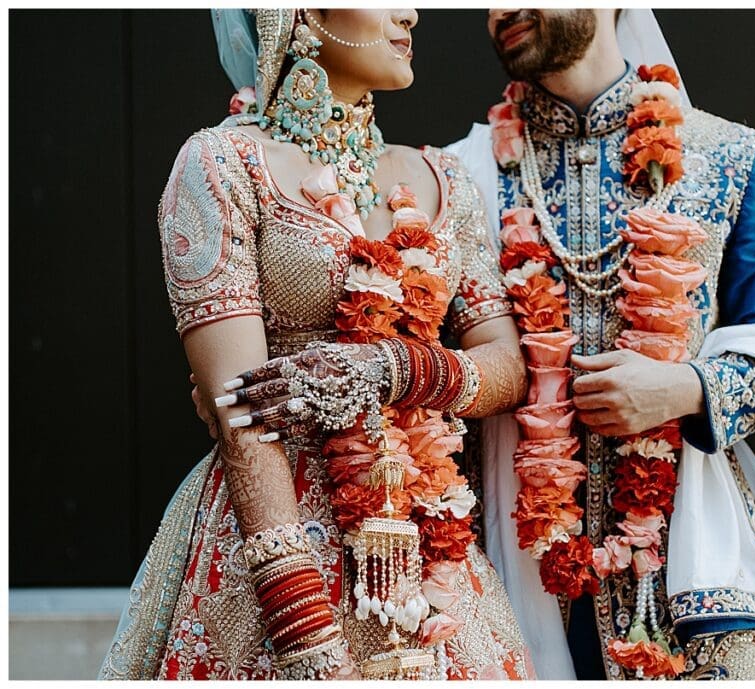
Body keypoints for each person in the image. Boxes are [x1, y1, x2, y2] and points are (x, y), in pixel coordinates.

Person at [98, 9, 535, 680]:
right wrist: (301, 628)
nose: (411, 11)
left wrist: (392, 367)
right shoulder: (224, 162)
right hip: (273, 549)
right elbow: (239, 411)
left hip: (430, 552)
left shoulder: (443, 179)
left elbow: (507, 365)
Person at [443, 8, 755, 681]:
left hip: (681, 585)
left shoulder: (727, 158)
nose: (499, 10)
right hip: (511, 575)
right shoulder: (458, 176)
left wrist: (684, 388)